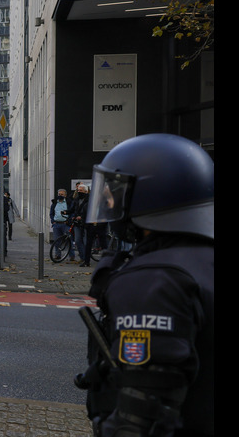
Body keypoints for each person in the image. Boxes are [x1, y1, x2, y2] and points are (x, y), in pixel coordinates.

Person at [77, 134, 213, 437]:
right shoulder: (201, 261)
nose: (108, 203)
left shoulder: (154, 279)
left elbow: (142, 417)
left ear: (150, 196)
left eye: (113, 194)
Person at [69, 183, 90, 266]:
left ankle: (86, 259)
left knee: (86, 241)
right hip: (77, 223)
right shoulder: (77, 199)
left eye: (81, 191)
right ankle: (82, 257)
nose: (79, 192)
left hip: (86, 223)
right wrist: (67, 212)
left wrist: (81, 217)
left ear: (85, 191)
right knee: (77, 241)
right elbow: (73, 209)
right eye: (78, 190)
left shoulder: (89, 200)